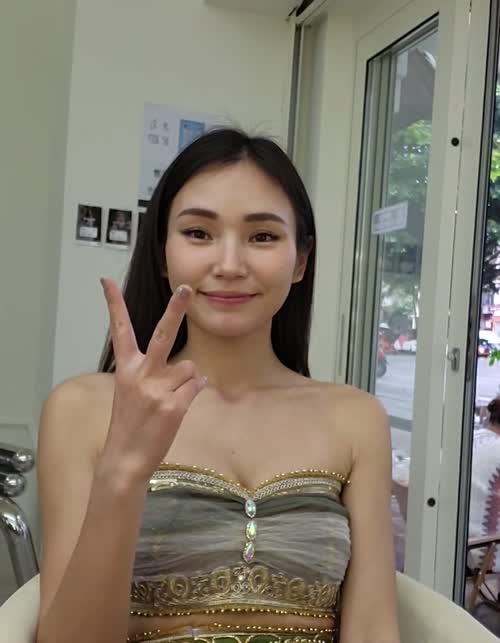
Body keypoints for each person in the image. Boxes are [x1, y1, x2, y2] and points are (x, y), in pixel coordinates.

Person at [35, 128, 400, 643]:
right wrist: (123, 469)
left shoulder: (356, 418)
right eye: (198, 233)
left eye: (263, 237)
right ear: (163, 254)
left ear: (300, 261)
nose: (229, 265)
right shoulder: (83, 408)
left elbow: (373, 628)